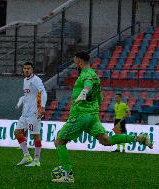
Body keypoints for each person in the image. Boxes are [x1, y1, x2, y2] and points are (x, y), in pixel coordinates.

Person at [52, 51, 153, 184]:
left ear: (80, 62)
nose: (74, 64)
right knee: (106, 140)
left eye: (75, 62)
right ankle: (138, 138)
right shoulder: (95, 76)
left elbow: (88, 84)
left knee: (59, 142)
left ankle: (68, 174)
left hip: (80, 115)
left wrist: (84, 93)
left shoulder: (86, 75)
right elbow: (100, 99)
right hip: (93, 116)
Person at [14, 61, 47, 167]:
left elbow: (43, 92)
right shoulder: (25, 80)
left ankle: (37, 160)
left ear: (32, 70)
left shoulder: (36, 80)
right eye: (25, 68)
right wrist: (20, 103)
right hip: (25, 113)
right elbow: (27, 96)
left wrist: (42, 107)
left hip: (34, 112)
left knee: (35, 136)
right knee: (17, 132)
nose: (26, 70)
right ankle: (27, 156)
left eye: (28, 68)